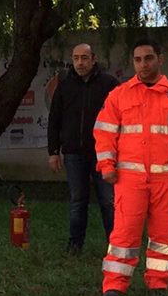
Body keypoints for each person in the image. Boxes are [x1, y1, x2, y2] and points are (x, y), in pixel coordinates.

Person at [93, 38, 168, 296]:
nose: (143, 64)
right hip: (129, 178)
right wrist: (106, 166)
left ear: (160, 59)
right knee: (124, 232)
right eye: (137, 59)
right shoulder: (119, 95)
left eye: (148, 58)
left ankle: (158, 284)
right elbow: (104, 133)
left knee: (164, 235)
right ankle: (115, 286)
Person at [47, 43, 119, 254]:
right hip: (73, 154)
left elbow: (121, 118)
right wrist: (53, 152)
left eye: (84, 58)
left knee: (108, 201)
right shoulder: (65, 85)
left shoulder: (109, 84)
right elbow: (54, 120)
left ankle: (116, 246)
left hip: (103, 155)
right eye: (76, 58)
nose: (80, 63)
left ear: (93, 59)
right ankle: (75, 245)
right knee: (78, 200)